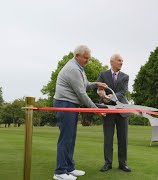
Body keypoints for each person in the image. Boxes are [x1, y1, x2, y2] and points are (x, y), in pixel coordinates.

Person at [53, 45, 107, 180]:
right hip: (65, 104)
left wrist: (96, 84)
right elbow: (82, 94)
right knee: (66, 138)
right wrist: (96, 110)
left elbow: (85, 84)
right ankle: (60, 172)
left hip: (71, 105)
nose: (87, 61)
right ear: (77, 56)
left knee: (71, 138)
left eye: (89, 58)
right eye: (86, 58)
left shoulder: (79, 68)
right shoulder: (73, 69)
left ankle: (69, 168)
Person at [97, 53, 131, 173]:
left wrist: (112, 96)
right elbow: (99, 88)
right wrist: (101, 93)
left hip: (122, 111)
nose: (121, 62)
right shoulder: (103, 74)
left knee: (123, 139)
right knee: (108, 138)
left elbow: (123, 92)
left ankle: (123, 164)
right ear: (112, 62)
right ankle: (108, 163)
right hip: (107, 110)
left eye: (122, 61)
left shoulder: (125, 76)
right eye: (119, 60)